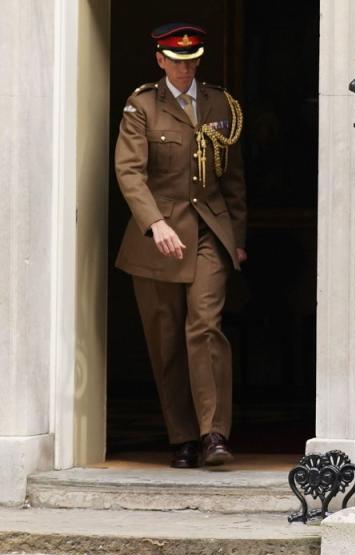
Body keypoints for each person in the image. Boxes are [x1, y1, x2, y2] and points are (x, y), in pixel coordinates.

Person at [115, 22, 247, 469]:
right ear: (160, 60)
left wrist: (239, 239)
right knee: (166, 340)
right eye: (176, 60)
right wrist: (155, 223)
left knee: (203, 326)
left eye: (191, 60)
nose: (184, 68)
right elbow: (129, 172)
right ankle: (183, 437)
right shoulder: (141, 107)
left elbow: (233, 179)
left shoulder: (220, 104)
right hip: (158, 238)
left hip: (210, 230)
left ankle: (213, 433)